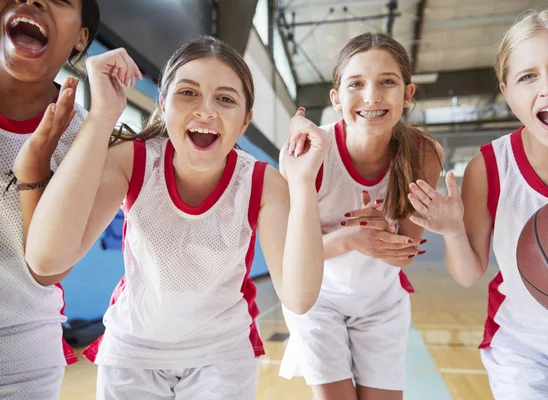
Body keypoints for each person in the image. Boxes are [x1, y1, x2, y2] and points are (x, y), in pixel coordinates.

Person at [24, 35, 327, 399]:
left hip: (222, 356)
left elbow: (298, 298)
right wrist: (103, 114)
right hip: (132, 352)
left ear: (245, 121)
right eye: (188, 93)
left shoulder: (262, 182)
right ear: (163, 104)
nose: (206, 110)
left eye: (226, 99)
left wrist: (304, 181)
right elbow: (47, 261)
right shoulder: (133, 160)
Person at [407, 8, 548, 399]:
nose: (547, 88)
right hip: (524, 351)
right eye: (527, 76)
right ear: (506, 90)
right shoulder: (490, 167)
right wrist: (452, 232)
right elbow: (467, 274)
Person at [279, 32, 444, 400]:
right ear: (336, 99)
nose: (372, 96)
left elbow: (407, 254)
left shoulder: (423, 154)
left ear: (407, 94)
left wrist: (385, 232)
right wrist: (351, 238)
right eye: (356, 84)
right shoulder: (309, 153)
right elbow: (289, 260)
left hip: (381, 303)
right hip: (317, 302)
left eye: (388, 81)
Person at [0, 0, 99, 398]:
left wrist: (36, 167)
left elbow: (47, 268)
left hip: (21, 351)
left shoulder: (85, 138)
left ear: (80, 39)